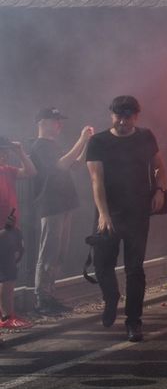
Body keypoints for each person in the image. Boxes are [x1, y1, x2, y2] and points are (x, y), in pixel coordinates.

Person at [86, 95, 167, 342]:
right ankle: (111, 298)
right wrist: (103, 214)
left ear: (136, 116)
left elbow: (160, 167)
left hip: (138, 211)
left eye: (128, 117)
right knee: (102, 264)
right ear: (111, 115)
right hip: (108, 210)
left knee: (135, 269)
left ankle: (134, 322)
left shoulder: (145, 136)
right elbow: (96, 180)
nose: (122, 122)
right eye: (118, 116)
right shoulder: (98, 141)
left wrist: (160, 190)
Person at [29, 107, 94, 315]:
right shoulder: (39, 146)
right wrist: (80, 140)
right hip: (51, 205)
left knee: (58, 254)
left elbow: (76, 164)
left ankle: (50, 295)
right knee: (48, 253)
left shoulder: (52, 145)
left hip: (64, 204)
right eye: (56, 120)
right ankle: (42, 299)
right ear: (43, 122)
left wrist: (86, 143)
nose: (59, 124)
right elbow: (61, 165)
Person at [0, 137, 37, 330]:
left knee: (9, 275)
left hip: (10, 231)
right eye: (1, 151)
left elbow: (31, 172)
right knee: (6, 275)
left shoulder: (7, 171)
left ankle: (8, 315)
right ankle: (6, 316)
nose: (4, 155)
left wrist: (21, 152)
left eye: (5, 151)